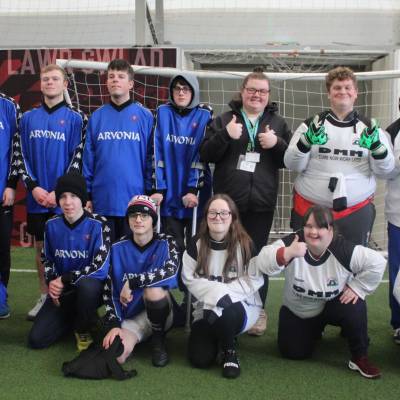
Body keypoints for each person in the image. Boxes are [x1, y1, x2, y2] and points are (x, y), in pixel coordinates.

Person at [200, 68, 291, 336]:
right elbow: (206, 153)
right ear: (242, 91)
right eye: (252, 89)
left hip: (261, 204)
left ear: (268, 95)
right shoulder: (224, 119)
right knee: (224, 256)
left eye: (262, 91)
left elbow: (291, 160)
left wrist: (276, 144)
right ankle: (220, 302)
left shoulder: (278, 123)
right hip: (228, 206)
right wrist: (226, 135)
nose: (257, 95)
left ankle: (258, 308)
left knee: (257, 258)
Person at [253, 205, 385, 379]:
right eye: (308, 226)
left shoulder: (343, 249)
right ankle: (314, 331)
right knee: (293, 352)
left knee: (354, 304)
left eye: (320, 227)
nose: (313, 232)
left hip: (333, 305)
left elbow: (378, 262)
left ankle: (359, 357)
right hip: (300, 311)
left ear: (330, 230)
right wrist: (287, 253)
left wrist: (358, 287)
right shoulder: (294, 242)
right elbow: (260, 262)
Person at [284, 66, 394, 246]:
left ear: (356, 92)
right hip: (309, 209)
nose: (342, 91)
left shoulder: (371, 129)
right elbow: (291, 164)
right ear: (329, 93)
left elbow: (385, 171)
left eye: (347, 87)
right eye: (337, 88)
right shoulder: (311, 126)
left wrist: (376, 148)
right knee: (304, 263)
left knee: (352, 267)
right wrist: (306, 142)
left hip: (355, 212)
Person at [182, 194, 280, 379]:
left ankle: (229, 351)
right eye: (212, 213)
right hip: (206, 307)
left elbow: (256, 279)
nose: (218, 217)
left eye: (224, 213)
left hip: (241, 306)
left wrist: (223, 293)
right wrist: (217, 293)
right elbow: (189, 279)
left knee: (224, 308)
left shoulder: (245, 243)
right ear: (206, 217)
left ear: (233, 217)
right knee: (200, 359)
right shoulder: (195, 245)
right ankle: (219, 339)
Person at [16, 64, 87, 320]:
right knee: (40, 248)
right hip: (37, 198)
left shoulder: (77, 119)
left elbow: (77, 158)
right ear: (41, 84)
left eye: (55, 79)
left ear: (65, 84)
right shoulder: (27, 118)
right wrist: (33, 187)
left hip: (64, 199)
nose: (49, 83)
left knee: (68, 246)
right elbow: (20, 155)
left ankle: (71, 297)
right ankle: (45, 295)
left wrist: (58, 191)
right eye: (45, 79)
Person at [28, 172, 111, 351]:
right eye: (63, 197)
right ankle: (76, 318)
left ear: (82, 199)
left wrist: (64, 279)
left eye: (73, 196)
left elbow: (101, 268)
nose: (68, 202)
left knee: (87, 287)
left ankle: (83, 328)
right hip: (62, 292)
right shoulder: (51, 225)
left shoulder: (99, 224)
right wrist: (52, 284)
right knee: (37, 340)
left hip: (91, 291)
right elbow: (47, 259)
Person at [102, 195, 180, 367]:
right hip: (131, 316)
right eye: (133, 215)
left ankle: (159, 341)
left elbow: (171, 272)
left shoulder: (167, 243)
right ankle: (142, 336)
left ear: (152, 220)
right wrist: (114, 323)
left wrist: (132, 282)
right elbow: (109, 292)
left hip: (161, 310)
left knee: (153, 290)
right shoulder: (116, 248)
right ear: (128, 220)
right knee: (117, 357)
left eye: (144, 216)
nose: (138, 220)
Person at [83, 59, 153, 243]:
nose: (115, 80)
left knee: (130, 259)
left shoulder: (145, 116)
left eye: (121, 76)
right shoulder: (97, 117)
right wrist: (87, 194)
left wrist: (149, 191)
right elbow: (88, 159)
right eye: (111, 76)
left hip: (134, 201)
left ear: (130, 83)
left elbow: (151, 158)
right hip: (102, 200)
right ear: (106, 82)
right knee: (104, 259)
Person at [151, 72, 212, 255]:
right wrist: (158, 188)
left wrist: (193, 190)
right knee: (172, 244)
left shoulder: (205, 114)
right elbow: (156, 151)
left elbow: (201, 156)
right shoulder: (162, 113)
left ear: (193, 92)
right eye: (177, 88)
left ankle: (192, 282)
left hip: (196, 192)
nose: (181, 93)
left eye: (186, 89)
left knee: (197, 244)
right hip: (168, 193)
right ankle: (171, 279)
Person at [0, 92, 21, 318]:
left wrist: (11, 184)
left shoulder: (8, 106)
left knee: (1, 248)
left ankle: (0, 296)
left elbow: (17, 148)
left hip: (1, 192)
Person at [385, 109, 400, 344]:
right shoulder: (391, 131)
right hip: (398, 215)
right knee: (397, 269)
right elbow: (384, 169)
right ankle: (398, 323)